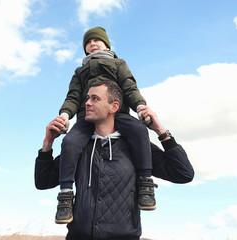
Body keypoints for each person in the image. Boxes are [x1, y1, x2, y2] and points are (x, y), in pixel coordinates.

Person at [35, 81, 195, 240]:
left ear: (114, 107)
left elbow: (183, 174)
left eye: (95, 98)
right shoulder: (78, 147)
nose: (87, 103)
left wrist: (161, 130)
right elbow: (43, 182)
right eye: (87, 98)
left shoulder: (138, 147)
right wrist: (47, 143)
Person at [56, 26, 156, 224]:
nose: (92, 44)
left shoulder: (118, 63)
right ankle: (65, 196)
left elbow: (129, 86)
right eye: (88, 42)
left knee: (138, 129)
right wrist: (65, 115)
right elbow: (74, 96)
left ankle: (146, 182)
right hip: (87, 117)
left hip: (116, 113)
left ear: (107, 45)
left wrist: (141, 106)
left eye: (96, 40)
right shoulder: (80, 71)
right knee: (69, 142)